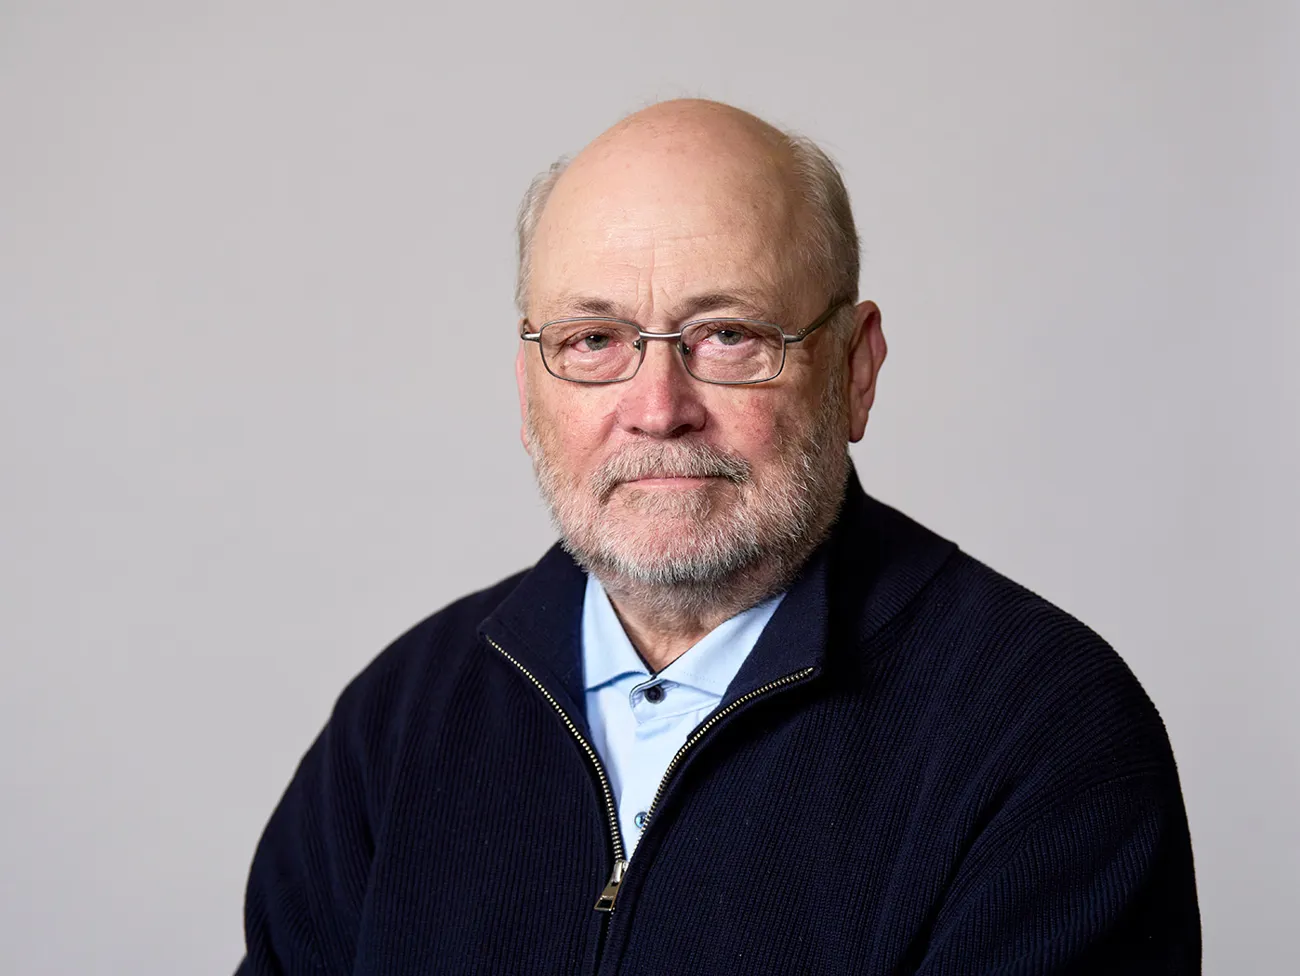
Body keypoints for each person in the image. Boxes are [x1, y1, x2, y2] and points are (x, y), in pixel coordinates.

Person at [237, 99, 1200, 975]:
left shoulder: (1043, 732)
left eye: (729, 335)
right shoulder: (398, 723)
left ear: (854, 370)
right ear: (529, 390)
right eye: (593, 340)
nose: (659, 410)